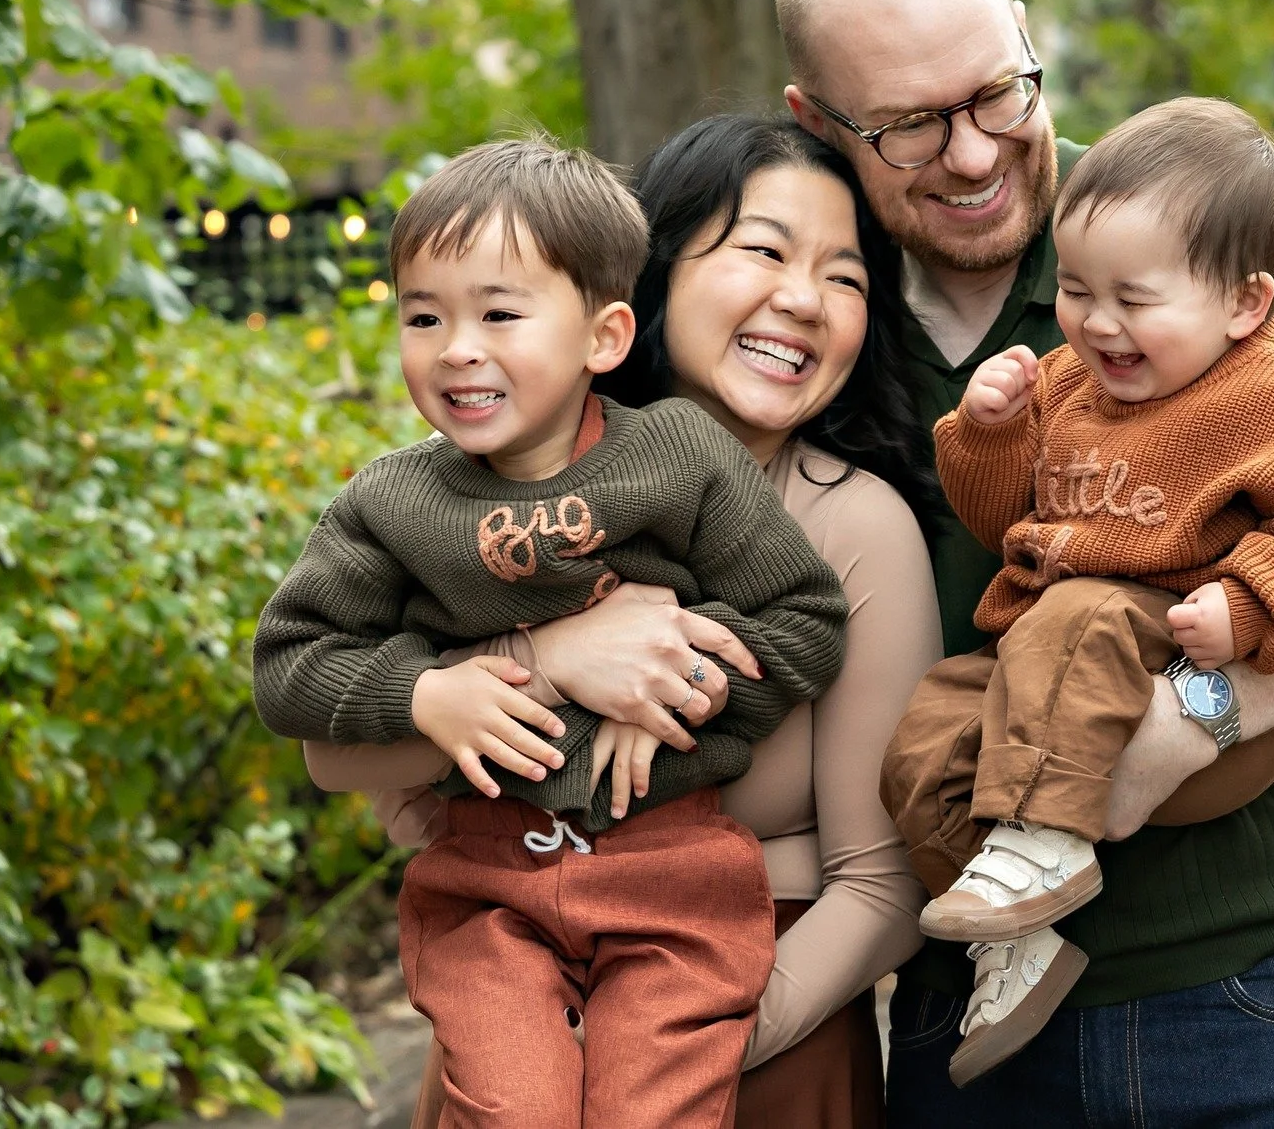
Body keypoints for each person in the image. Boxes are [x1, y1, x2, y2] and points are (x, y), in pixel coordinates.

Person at [774, 0, 1274, 1125]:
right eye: (907, 127)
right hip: (977, 1022)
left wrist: (1197, 720)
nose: (969, 152)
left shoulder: (1170, 217)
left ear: (1021, 33)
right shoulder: (810, 316)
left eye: (996, 92)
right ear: (813, 119)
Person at [304, 116, 945, 1127]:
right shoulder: (482, 484)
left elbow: (879, 886)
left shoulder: (851, 525)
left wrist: (646, 1065)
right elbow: (336, 757)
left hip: (743, 1032)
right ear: (650, 277)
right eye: (764, 250)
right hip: (511, 1027)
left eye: (845, 277)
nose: (801, 299)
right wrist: (544, 660)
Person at [880, 96, 1274, 1084]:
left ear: (1243, 304)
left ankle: (1041, 846)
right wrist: (990, 430)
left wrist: (1250, 602)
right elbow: (998, 521)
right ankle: (1020, 935)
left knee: (1078, 615)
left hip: (1186, 674)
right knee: (924, 735)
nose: (1095, 323)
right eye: (1076, 292)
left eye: (1133, 299)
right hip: (1046, 680)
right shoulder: (1070, 384)